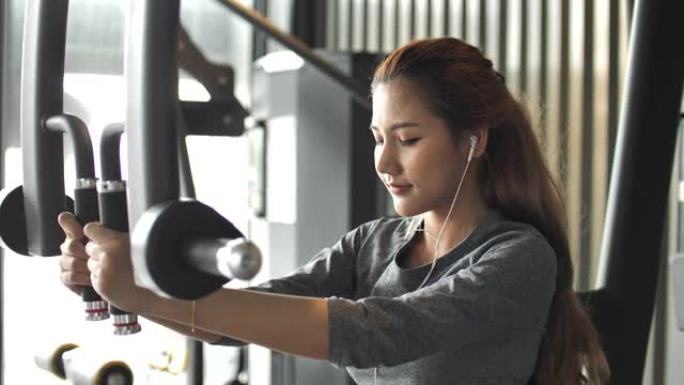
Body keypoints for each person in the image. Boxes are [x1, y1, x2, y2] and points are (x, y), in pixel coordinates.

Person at [58, 37, 609, 384]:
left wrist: (142, 290)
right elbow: (238, 318)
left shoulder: (517, 257)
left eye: (408, 139)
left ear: (473, 141)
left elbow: (378, 333)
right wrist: (126, 287)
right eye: (376, 139)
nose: (385, 162)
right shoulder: (373, 244)